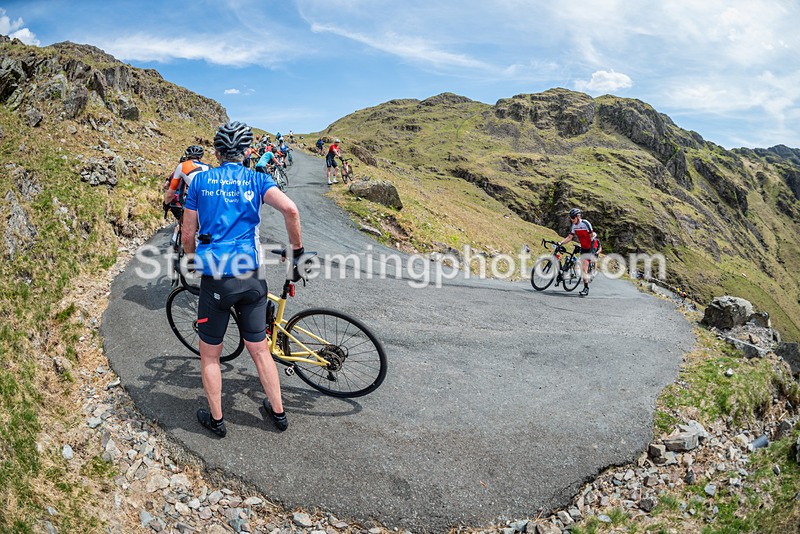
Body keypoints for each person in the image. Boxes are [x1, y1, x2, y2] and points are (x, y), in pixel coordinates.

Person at [181, 121, 305, 437]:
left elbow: (186, 233)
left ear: (218, 152)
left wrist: (193, 259)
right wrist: (297, 252)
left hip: (217, 280)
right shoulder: (258, 179)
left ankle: (217, 421)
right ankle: (278, 414)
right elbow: (291, 210)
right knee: (260, 348)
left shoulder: (198, 182)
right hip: (251, 278)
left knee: (210, 355)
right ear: (247, 151)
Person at [557, 208, 597, 297]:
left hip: (590, 247)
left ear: (578, 216)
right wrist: (561, 242)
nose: (571, 219)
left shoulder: (586, 224)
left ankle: (586, 288)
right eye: (570, 217)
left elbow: (592, 238)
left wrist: (591, 251)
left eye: (573, 217)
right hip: (583, 247)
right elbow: (569, 237)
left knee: (584, 268)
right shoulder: (574, 226)